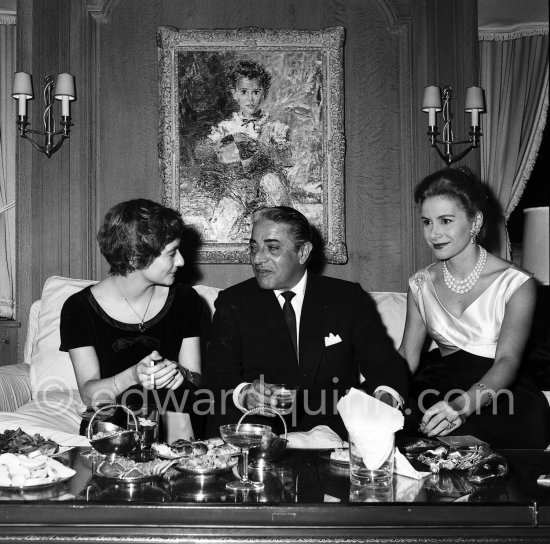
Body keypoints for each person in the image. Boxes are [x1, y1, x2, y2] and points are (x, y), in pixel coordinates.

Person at [205, 205, 410, 439]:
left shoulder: (347, 298)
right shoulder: (233, 302)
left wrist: (377, 409)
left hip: (332, 433)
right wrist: (244, 394)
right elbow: (217, 375)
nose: (258, 258)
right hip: (260, 435)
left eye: (272, 248)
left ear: (303, 252)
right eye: (254, 247)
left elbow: (385, 364)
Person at [399, 167, 550, 449]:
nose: (434, 233)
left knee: (465, 446)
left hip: (499, 394)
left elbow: (507, 361)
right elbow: (408, 354)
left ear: (475, 221)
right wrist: (385, 393)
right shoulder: (420, 284)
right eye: (427, 222)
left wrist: (460, 406)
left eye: (445, 220)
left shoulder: (516, 283)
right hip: (438, 388)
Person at [60, 199, 205, 438]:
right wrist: (134, 376)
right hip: (112, 432)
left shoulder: (186, 299)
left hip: (177, 425)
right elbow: (89, 395)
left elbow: (197, 381)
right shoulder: (78, 308)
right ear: (135, 258)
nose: (181, 261)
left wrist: (180, 372)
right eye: (171, 253)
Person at [195, 60, 292, 242]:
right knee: (221, 229)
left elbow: (286, 157)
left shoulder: (274, 126)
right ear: (234, 94)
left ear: (263, 93)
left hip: (265, 184)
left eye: (256, 92)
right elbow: (200, 152)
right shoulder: (227, 127)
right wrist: (219, 146)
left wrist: (263, 148)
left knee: (273, 187)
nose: (250, 98)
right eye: (244, 92)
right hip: (237, 185)